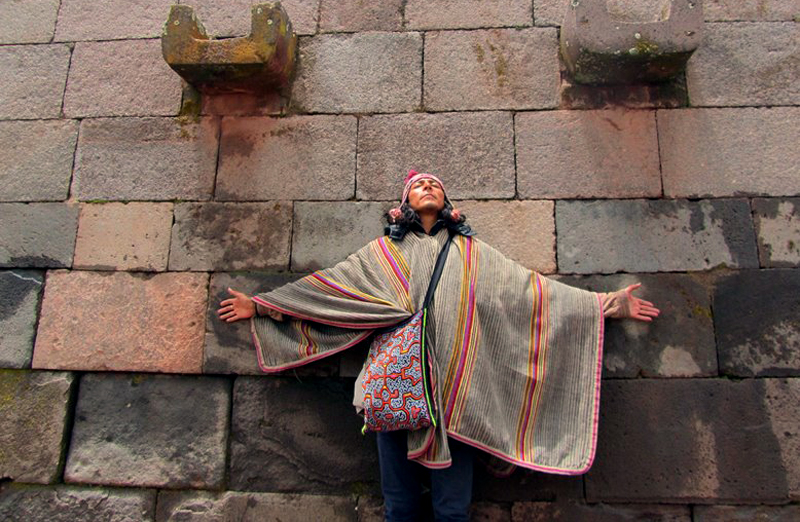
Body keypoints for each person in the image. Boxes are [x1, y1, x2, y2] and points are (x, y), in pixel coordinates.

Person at [218, 171, 659, 522]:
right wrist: (261, 306)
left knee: (452, 510)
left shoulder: (475, 254)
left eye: (434, 185)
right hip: (395, 390)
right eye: (418, 186)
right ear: (404, 202)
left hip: (457, 394)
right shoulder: (381, 255)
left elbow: (532, 294)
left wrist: (608, 305)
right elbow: (330, 290)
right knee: (400, 508)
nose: (427, 188)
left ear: (447, 204)